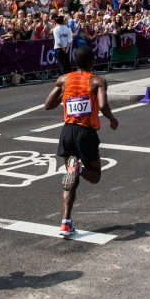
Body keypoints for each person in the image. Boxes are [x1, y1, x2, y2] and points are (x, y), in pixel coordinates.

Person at [43, 45, 118, 239]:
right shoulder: (97, 81)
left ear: (75, 62)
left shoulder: (64, 79)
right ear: (92, 62)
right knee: (94, 176)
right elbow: (102, 105)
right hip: (86, 133)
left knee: (70, 180)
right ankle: (80, 169)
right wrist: (111, 119)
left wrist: (65, 94)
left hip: (67, 132)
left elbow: (47, 105)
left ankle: (65, 222)